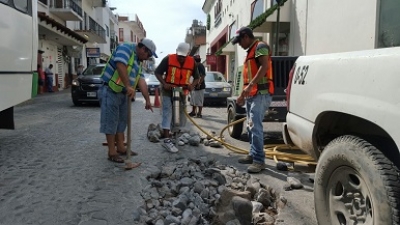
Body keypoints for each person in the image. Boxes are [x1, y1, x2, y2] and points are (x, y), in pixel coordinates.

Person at [100, 38, 156, 163]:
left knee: (122, 121)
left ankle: (120, 148)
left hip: (123, 93)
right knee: (111, 120)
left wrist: (147, 100)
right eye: (149, 54)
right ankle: (112, 152)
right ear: (143, 49)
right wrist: (128, 85)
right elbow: (120, 65)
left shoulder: (138, 61)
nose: (148, 57)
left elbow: (141, 81)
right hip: (110, 89)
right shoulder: (126, 48)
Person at [232, 27, 274, 173]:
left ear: (246, 37)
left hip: (261, 93)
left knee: (255, 126)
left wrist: (250, 87)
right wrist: (242, 95)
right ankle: (253, 153)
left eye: (240, 41)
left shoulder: (260, 47)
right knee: (250, 126)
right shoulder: (250, 51)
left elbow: (264, 66)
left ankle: (259, 161)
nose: (239, 45)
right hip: (252, 94)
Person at [154, 42, 200, 153]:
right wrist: (164, 83)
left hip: (181, 91)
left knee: (178, 115)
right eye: (179, 56)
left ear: (188, 54)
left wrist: (191, 86)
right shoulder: (168, 59)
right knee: (167, 112)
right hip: (168, 90)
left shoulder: (191, 62)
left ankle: (175, 136)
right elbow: (157, 72)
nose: (180, 59)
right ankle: (166, 140)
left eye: (183, 57)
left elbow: (197, 78)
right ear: (176, 52)